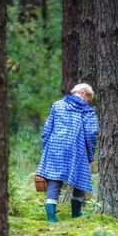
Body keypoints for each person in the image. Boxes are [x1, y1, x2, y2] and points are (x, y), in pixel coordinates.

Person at [36, 83, 99, 223]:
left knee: (54, 181)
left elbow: (47, 130)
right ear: (84, 94)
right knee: (80, 181)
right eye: (88, 99)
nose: (88, 102)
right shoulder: (88, 112)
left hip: (55, 148)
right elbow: (91, 135)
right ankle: (76, 214)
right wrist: (89, 154)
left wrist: (45, 148)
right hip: (77, 150)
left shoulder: (57, 105)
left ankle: (52, 219)